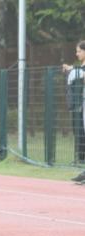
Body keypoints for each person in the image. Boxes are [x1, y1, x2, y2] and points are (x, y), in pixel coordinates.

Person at [63, 41, 85, 177]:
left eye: (79, 51)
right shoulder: (81, 67)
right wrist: (72, 69)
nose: (77, 54)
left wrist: (73, 69)